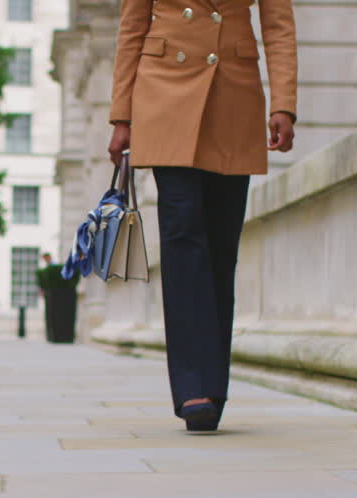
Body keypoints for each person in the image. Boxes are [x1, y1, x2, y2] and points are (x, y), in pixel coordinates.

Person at [108, 0, 298, 432]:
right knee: (182, 236)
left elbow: (279, 25)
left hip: (233, 95)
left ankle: (213, 385)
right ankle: (193, 386)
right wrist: (122, 115)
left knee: (219, 245)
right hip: (164, 95)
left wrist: (283, 103)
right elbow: (132, 27)